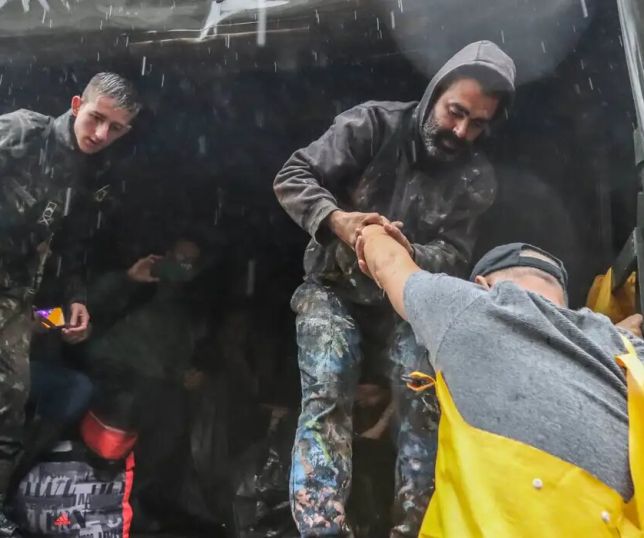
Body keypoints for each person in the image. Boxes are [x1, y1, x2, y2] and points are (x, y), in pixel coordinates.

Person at [273, 40, 516, 536]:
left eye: (477, 124)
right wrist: (337, 221)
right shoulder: (372, 125)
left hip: (409, 305)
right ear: (434, 95)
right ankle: (321, 527)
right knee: (327, 386)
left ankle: (416, 527)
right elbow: (292, 175)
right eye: (455, 112)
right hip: (333, 288)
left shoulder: (476, 178)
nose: (461, 131)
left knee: (422, 399)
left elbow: (455, 256)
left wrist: (405, 254)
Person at [356, 224, 644, 536]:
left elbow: (389, 262)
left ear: (481, 285)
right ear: (562, 300)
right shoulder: (624, 349)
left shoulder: (474, 308)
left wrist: (369, 231)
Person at [0, 72, 140, 536]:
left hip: (17, 300)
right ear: (77, 103)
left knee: (11, 404)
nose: (100, 133)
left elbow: (72, 247)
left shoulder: (90, 175)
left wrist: (75, 302)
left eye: (115, 128)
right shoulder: (25, 131)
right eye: (96, 118)